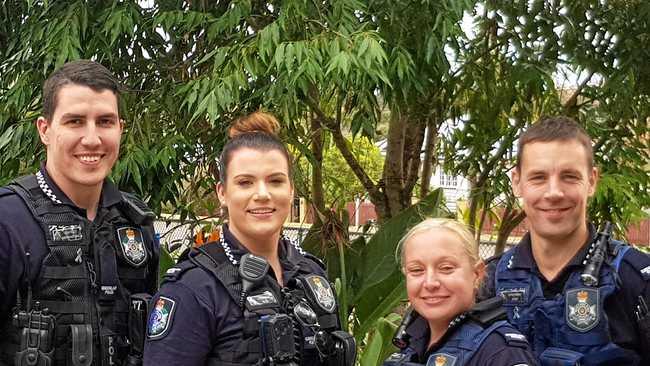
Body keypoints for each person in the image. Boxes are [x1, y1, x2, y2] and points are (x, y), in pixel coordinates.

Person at [143, 112, 356, 366]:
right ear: (222, 192)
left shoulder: (312, 274)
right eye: (245, 183)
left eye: (275, 181)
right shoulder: (193, 289)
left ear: (291, 191)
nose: (263, 194)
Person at [0, 60, 159, 366]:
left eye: (105, 122)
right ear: (45, 130)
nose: (92, 138)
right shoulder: (9, 220)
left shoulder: (136, 223)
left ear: (120, 129)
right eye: (75, 121)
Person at [478, 116, 650, 365]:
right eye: (538, 177)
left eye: (569, 176)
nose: (554, 193)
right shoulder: (488, 283)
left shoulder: (636, 282)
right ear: (517, 182)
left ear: (591, 181)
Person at [384, 218, 538, 366]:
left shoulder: (501, 353)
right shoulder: (411, 340)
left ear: (476, 274)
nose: (430, 283)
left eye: (446, 268)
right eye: (416, 270)